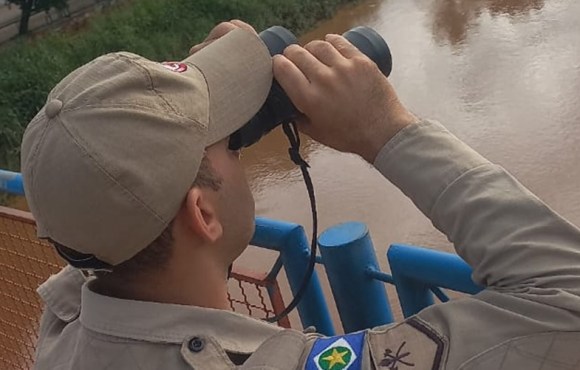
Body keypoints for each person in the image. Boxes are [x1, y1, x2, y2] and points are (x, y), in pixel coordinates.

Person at [24, 19, 580, 370]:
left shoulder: (66, 326)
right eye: (232, 146)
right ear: (203, 213)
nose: (240, 146)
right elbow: (568, 295)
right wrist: (385, 129)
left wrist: (195, 98)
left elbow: (106, 190)